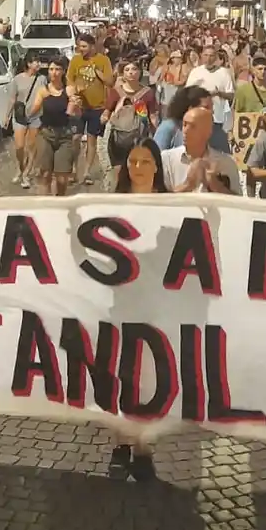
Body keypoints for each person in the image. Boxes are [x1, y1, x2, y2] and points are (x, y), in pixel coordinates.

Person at [105, 137, 169, 480]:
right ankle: (122, 444)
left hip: (156, 303)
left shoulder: (173, 205)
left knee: (149, 380)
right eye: (133, 162)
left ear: (157, 166)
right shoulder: (113, 203)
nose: (139, 168)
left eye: (145, 161)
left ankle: (143, 447)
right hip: (122, 300)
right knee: (122, 375)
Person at [160, 105, 239, 193]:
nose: (186, 130)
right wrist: (187, 185)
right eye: (184, 124)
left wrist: (216, 186)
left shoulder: (226, 163)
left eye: (193, 126)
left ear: (208, 132)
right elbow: (160, 201)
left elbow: (239, 203)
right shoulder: (166, 159)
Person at [31, 56, 80, 196]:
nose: (54, 72)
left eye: (58, 69)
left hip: (65, 134)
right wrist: (24, 111)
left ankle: (60, 201)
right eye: (51, 69)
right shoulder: (43, 90)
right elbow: (34, 110)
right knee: (44, 174)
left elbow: (77, 113)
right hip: (46, 133)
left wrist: (75, 106)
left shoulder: (69, 90)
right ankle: (45, 204)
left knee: (62, 178)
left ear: (63, 71)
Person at [68, 34, 113, 183]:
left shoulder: (103, 60)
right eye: (79, 46)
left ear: (92, 46)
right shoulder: (75, 60)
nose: (81, 50)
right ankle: (73, 169)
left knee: (91, 141)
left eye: (84, 46)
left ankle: (87, 171)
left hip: (97, 107)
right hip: (80, 107)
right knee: (75, 138)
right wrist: (75, 91)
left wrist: (98, 73)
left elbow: (110, 82)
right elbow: (69, 80)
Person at [104, 58, 157, 169]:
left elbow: (152, 116)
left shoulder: (147, 93)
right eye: (127, 70)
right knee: (120, 168)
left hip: (140, 136)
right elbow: (106, 112)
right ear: (122, 74)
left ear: (140, 72)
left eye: (134, 69)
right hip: (118, 137)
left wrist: (155, 130)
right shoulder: (116, 91)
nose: (131, 72)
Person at [185, 44, 236, 151]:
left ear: (216, 57)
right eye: (206, 55)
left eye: (211, 56)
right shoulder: (195, 72)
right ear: (201, 56)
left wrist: (218, 93)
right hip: (198, 119)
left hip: (217, 120)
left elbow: (231, 95)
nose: (208, 59)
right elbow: (187, 93)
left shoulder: (224, 73)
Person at [154, 85, 224, 152]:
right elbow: (156, 158)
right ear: (191, 109)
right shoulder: (169, 128)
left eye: (212, 107)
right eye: (206, 107)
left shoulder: (216, 131)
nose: (212, 112)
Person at [11, 56, 46, 190]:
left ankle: (26, 174)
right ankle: (20, 168)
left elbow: (44, 96)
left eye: (39, 61)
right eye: (35, 61)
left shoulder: (42, 79)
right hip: (20, 116)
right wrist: (8, 116)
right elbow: (13, 98)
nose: (38, 64)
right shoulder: (18, 79)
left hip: (36, 116)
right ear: (28, 63)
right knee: (19, 146)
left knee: (31, 145)